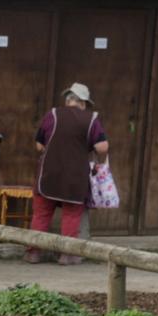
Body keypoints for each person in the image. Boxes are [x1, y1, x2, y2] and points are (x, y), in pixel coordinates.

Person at [26, 82, 110, 264]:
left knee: (41, 214)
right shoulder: (91, 119)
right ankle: (67, 255)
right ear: (83, 102)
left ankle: (33, 253)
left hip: (48, 173)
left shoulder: (53, 115)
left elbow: (39, 145)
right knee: (71, 214)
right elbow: (102, 147)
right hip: (75, 176)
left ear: (68, 100)